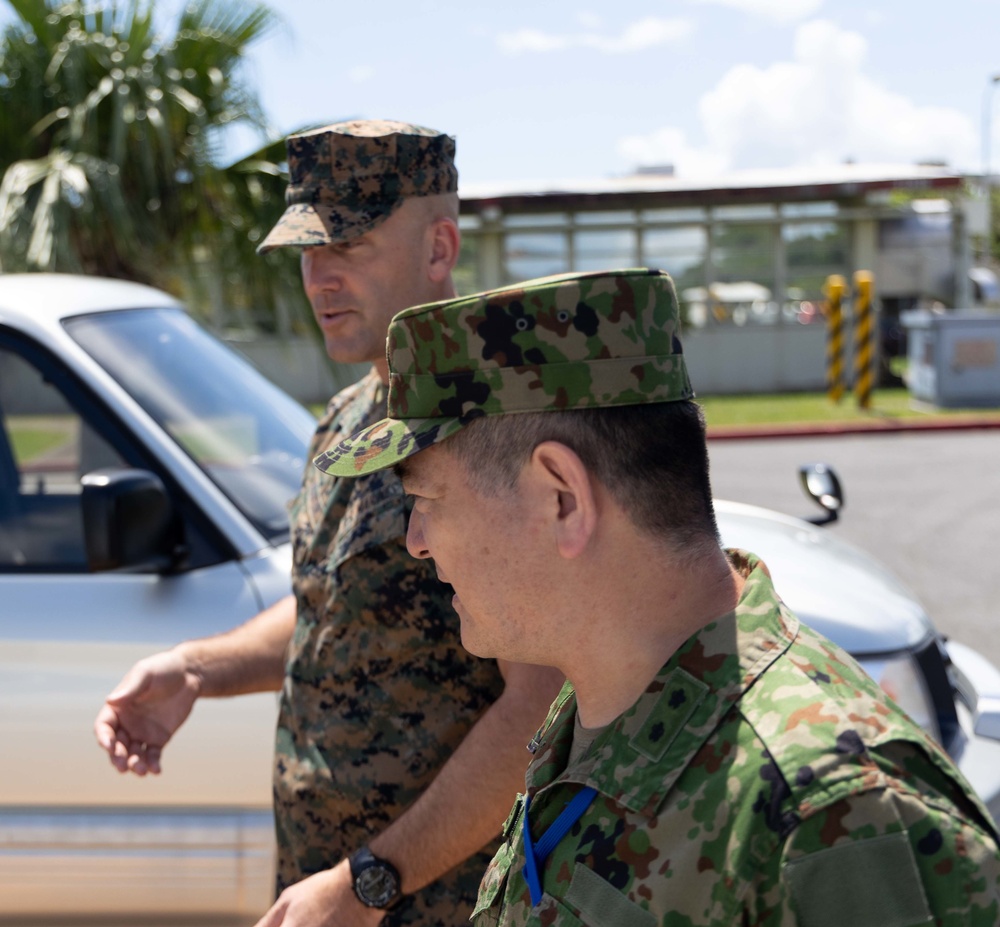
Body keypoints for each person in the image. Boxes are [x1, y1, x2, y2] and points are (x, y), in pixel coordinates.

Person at [316, 267, 1000, 926]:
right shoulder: (604, 697)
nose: (416, 540)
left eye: (428, 498)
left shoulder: (834, 815)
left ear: (562, 497)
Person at [93, 120, 563, 927]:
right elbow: (333, 610)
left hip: (439, 900)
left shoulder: (498, 432)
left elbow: (542, 701)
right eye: (308, 251)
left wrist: (372, 878)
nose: (319, 279)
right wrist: (196, 669)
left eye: (348, 246)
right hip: (327, 889)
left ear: (439, 246)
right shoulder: (347, 419)